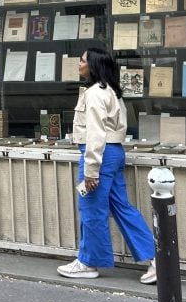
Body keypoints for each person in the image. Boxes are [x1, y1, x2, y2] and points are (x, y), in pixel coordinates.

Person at [57, 46, 157, 284]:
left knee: (91, 209)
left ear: (93, 65)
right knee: (121, 207)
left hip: (98, 155)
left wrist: (91, 170)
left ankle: (88, 262)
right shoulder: (111, 91)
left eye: (82, 61)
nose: (79, 64)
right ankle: (157, 259)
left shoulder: (94, 93)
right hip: (113, 153)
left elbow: (95, 134)